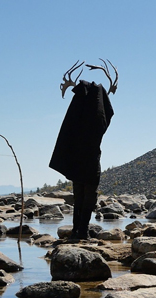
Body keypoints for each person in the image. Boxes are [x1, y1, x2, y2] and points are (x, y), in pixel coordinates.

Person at [49, 80, 114, 239]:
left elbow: (67, 132)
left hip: (76, 160)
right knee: (89, 196)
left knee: (79, 196)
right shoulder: (98, 115)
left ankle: (76, 230)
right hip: (91, 160)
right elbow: (107, 115)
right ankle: (82, 231)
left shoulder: (76, 111)